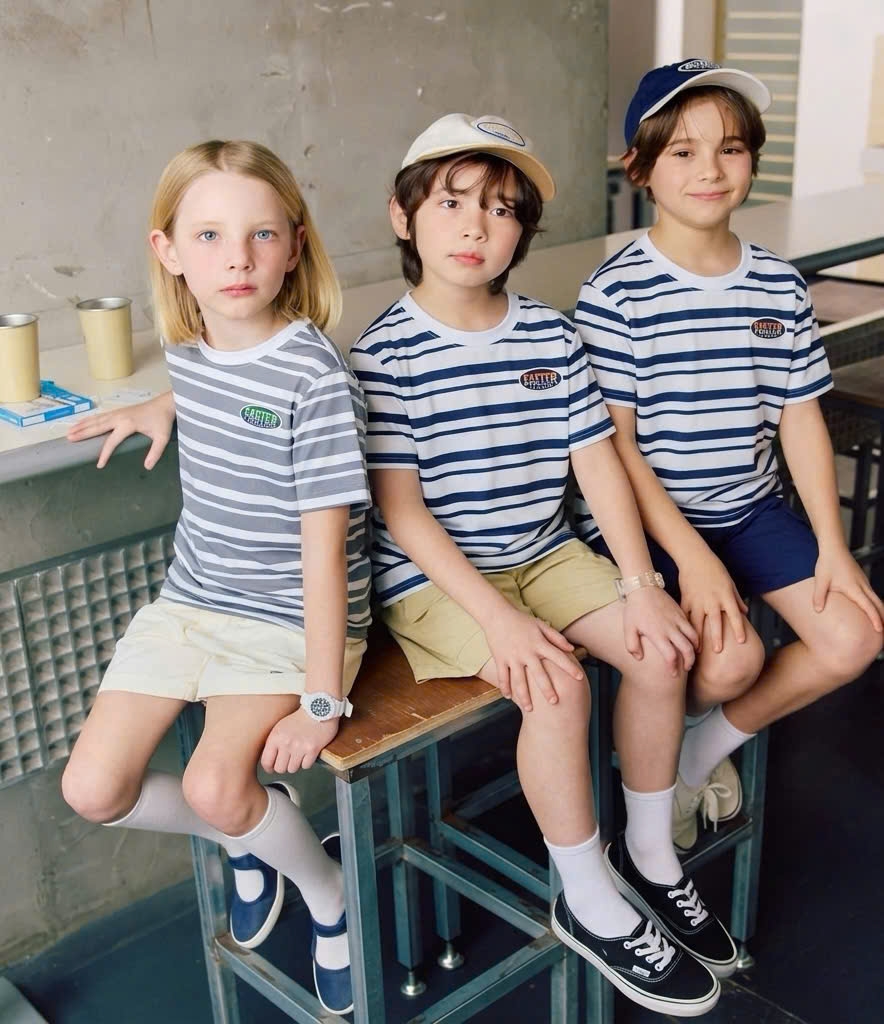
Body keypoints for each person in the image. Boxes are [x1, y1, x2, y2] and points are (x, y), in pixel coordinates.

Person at [349, 113, 730, 1016]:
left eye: (502, 209)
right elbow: (402, 513)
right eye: (452, 203)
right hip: (441, 581)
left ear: (522, 229)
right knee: (556, 686)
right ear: (404, 217)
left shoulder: (551, 338)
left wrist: (641, 584)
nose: (476, 227)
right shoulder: (384, 354)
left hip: (544, 552)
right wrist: (502, 622)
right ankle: (587, 899)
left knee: (664, 648)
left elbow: (597, 467)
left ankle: (650, 854)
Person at [62, 139, 371, 1016]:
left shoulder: (315, 375)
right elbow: (219, 383)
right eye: (208, 236)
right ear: (168, 251)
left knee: (213, 785)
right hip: (191, 603)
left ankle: (325, 889)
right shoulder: (188, 349)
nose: (237, 258)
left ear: (295, 245)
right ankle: (253, 828)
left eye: (261, 234)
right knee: (93, 790)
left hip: (290, 619)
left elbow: (324, 553)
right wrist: (159, 404)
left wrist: (322, 699)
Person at [574, 60, 884, 856]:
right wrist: (694, 561)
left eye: (730, 149)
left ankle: (693, 751)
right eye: (682, 152)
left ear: (752, 159)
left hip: (749, 509)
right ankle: (655, 746)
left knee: (853, 636)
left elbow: (799, 420)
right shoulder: (617, 292)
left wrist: (833, 547)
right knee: (733, 659)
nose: (709, 170)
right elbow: (618, 448)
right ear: (640, 168)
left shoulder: (778, 285)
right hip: (650, 524)